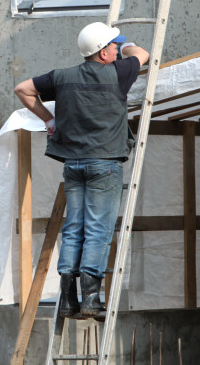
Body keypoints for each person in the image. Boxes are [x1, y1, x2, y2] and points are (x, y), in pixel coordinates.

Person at [14, 22, 149, 318]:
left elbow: (23, 89)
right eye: (113, 46)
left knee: (74, 228)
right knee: (98, 229)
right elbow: (143, 53)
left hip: (73, 165)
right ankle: (90, 300)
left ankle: (68, 300)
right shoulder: (119, 72)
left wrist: (49, 121)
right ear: (102, 53)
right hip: (105, 164)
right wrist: (126, 47)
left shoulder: (62, 77)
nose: (117, 49)